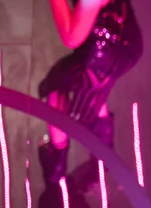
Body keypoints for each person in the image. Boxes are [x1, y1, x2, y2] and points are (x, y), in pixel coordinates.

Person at [38, 0, 142, 187]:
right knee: (94, 90)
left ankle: (56, 169)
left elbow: (71, 37)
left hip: (104, 52)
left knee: (58, 89)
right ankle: (103, 159)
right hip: (122, 36)